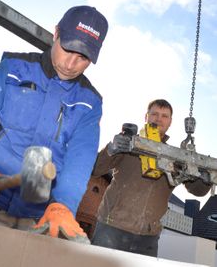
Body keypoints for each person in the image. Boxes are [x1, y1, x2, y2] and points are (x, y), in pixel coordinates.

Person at [0, 5, 108, 243]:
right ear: (56, 33)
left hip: (38, 220)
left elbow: (80, 161)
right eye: (68, 49)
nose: (70, 64)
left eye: (83, 57)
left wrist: (63, 206)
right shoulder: (13, 69)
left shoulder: (89, 103)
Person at [90, 99, 212, 256]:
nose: (158, 119)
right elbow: (95, 169)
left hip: (148, 238)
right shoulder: (130, 144)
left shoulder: (175, 158)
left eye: (164, 116)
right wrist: (111, 149)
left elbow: (198, 191)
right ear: (146, 117)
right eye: (154, 114)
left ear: (170, 122)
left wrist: (205, 179)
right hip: (112, 227)